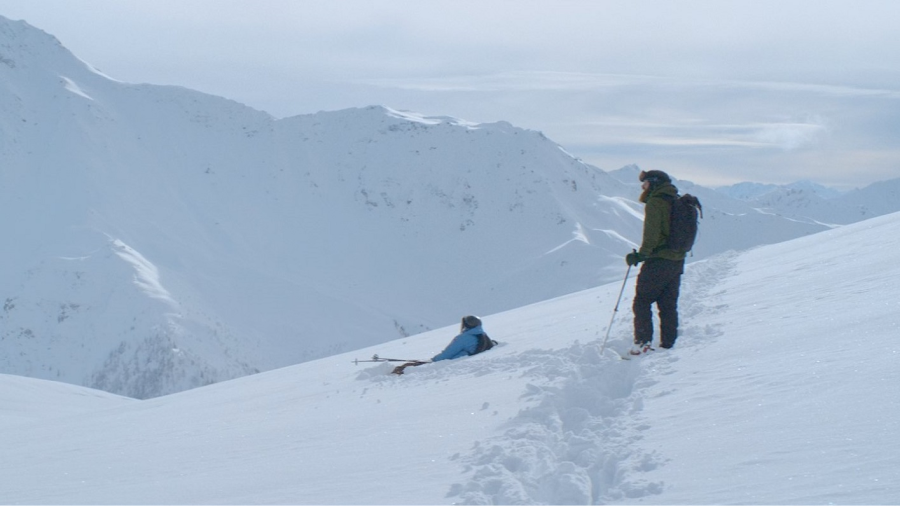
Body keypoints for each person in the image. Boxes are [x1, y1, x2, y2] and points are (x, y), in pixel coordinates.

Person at [625, 170, 686, 355]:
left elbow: (651, 236)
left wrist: (640, 256)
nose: (643, 187)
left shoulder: (656, 202)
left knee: (642, 301)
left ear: (653, 183)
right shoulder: (675, 200)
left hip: (658, 261)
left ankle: (642, 344)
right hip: (677, 261)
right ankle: (669, 344)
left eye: (645, 183)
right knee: (668, 304)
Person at [391, 315, 494, 374]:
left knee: (406, 367)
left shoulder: (463, 338)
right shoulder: (481, 335)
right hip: (462, 358)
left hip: (450, 362)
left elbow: (447, 354)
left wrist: (431, 361)